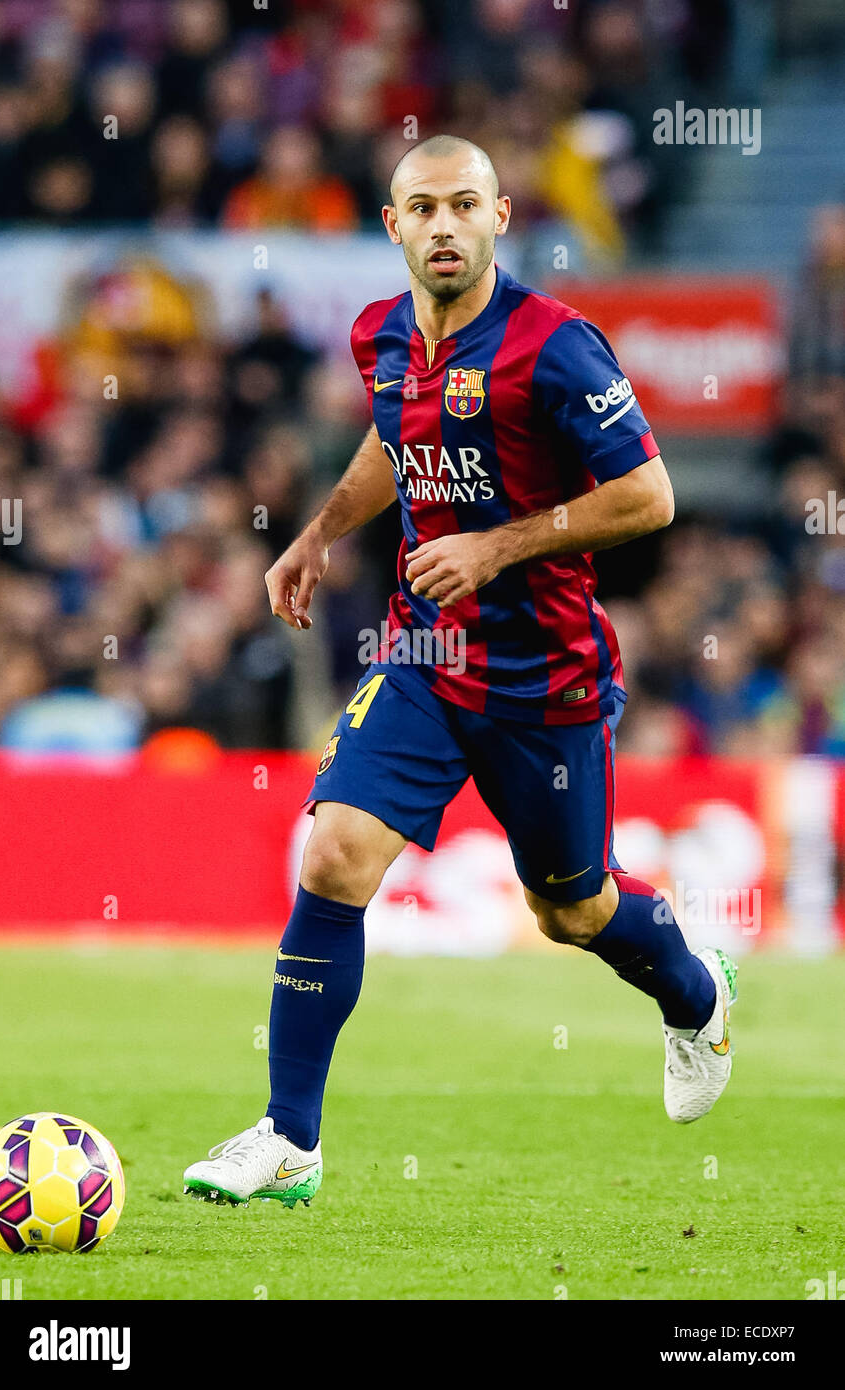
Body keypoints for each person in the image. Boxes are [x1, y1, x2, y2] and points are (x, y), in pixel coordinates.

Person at [183, 136, 737, 1208]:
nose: (442, 226)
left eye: (462, 206)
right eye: (421, 208)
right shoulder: (378, 335)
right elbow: (394, 445)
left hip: (545, 680)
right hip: (424, 653)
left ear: (499, 216)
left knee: (568, 911)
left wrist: (493, 546)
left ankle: (691, 991)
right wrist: (316, 534)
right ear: (391, 227)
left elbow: (649, 497)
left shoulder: (557, 348)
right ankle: (288, 1136)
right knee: (333, 854)